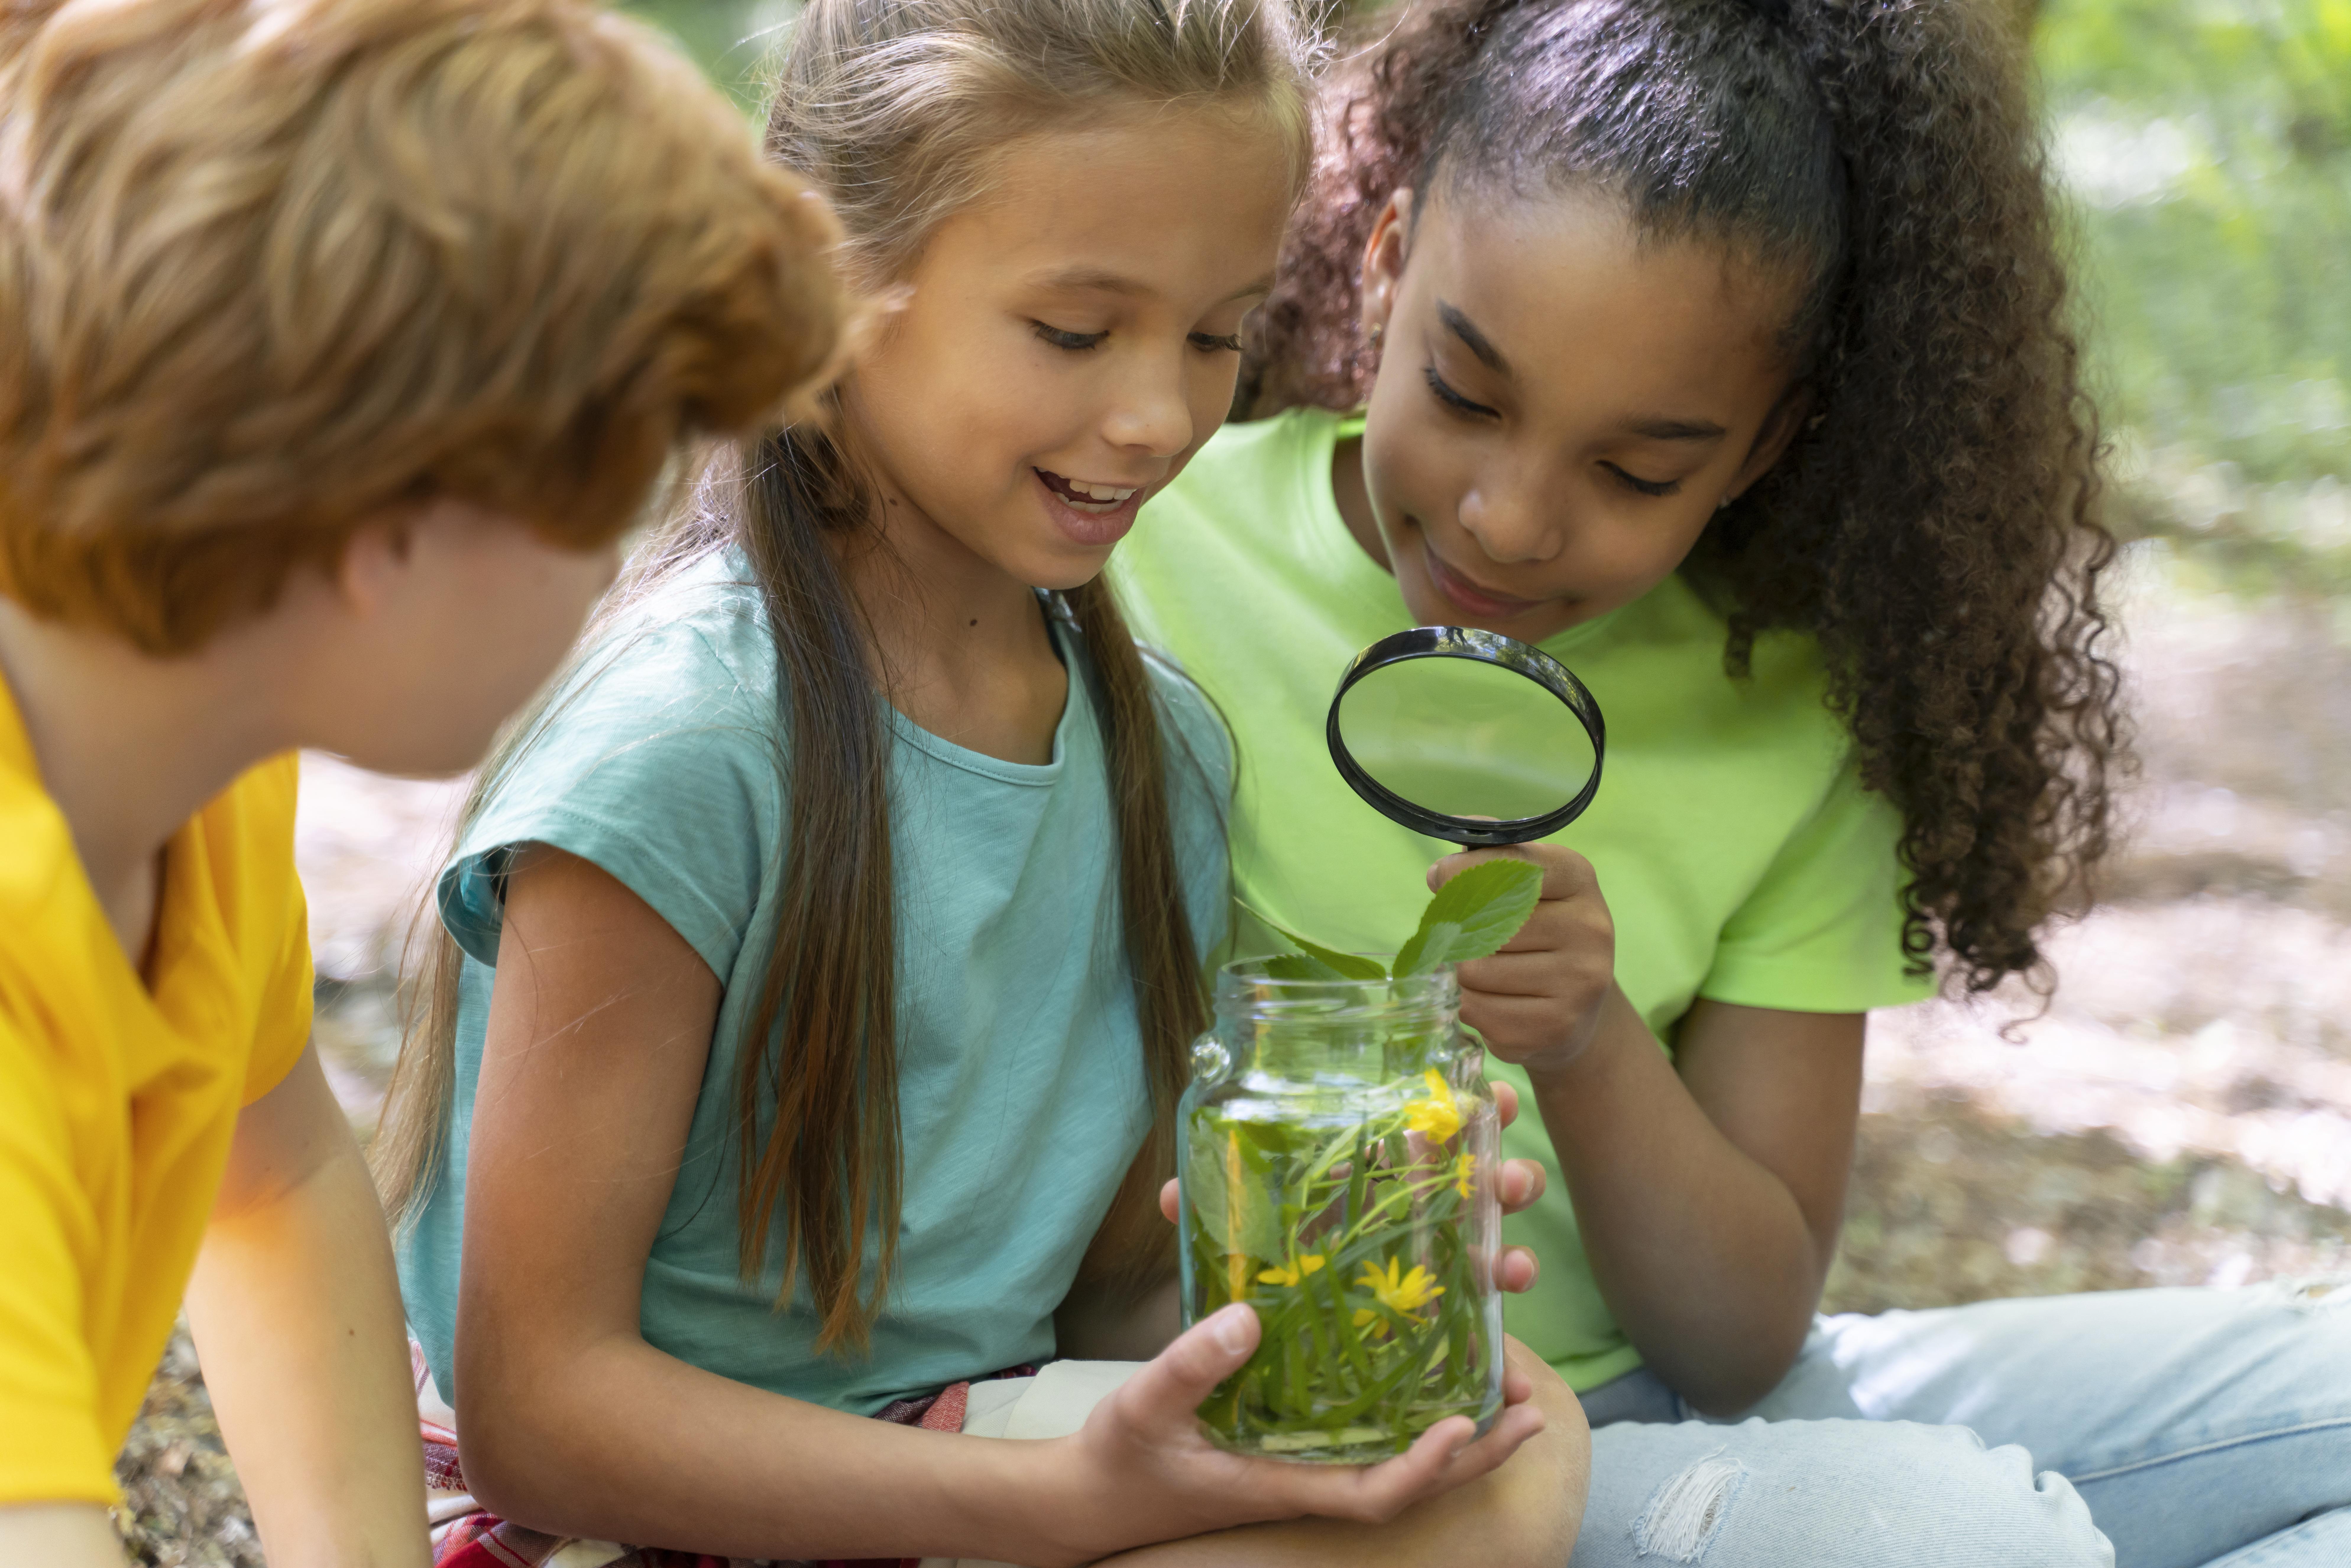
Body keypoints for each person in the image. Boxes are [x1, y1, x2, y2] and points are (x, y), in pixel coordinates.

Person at [1112, 0, 2351, 1562]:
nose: (1508, 518)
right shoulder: (1147, 567)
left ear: (1767, 447)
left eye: (1636, 472)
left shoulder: (1795, 718)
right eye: (1470, 392)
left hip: (1687, 1415)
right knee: (1973, 1537)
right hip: (1389, 1469)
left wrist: (1587, 1033)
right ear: (1385, 257)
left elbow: (1746, 1333)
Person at [370, 1, 1588, 1564]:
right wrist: (1057, 1505)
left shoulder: (1164, 755)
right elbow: (540, 1406)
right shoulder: (686, 748)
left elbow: (1107, 1298)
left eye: (1216, 334)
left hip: (951, 1453)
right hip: (613, 1515)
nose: (1160, 416)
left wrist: (1335, 1261)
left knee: (1497, 1430)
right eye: (1076, 332)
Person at [0, 1, 849, 1565]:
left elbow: (271, 1173)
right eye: (601, 508)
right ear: (393, 526)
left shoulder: (183, 773)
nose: (610, 585)